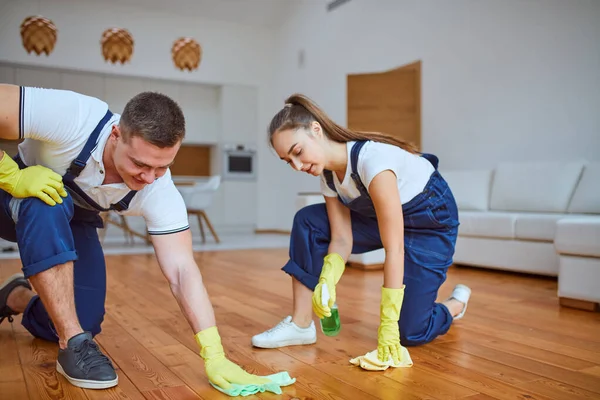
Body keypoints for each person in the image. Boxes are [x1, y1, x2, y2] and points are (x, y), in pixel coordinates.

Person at [0, 84, 275, 391]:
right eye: (140, 164)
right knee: (48, 203)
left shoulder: (159, 190)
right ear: (116, 135)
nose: (148, 178)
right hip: (10, 194)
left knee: (87, 319)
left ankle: (16, 297)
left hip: (72, 219)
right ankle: (73, 343)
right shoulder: (73, 116)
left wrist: (215, 354)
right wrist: (12, 176)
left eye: (162, 167)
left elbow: (182, 272)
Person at [251, 94, 472, 364]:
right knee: (308, 221)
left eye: (297, 152)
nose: (297, 166)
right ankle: (300, 324)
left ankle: (455, 305)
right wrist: (328, 280)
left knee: (410, 332)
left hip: (430, 223)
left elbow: (395, 248)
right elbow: (342, 239)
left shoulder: (372, 162)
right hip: (387, 220)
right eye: (288, 161)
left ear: (316, 130)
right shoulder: (328, 177)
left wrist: (388, 323)